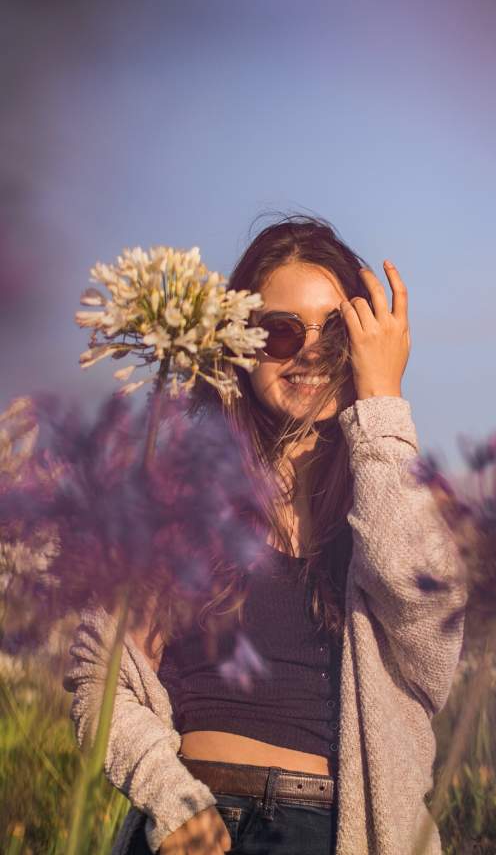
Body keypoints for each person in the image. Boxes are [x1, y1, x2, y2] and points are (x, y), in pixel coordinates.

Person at [63, 216, 466, 855]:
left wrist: (384, 401)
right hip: (192, 823)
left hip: (333, 832)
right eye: (279, 331)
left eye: (336, 332)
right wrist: (173, 806)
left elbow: (429, 637)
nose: (308, 352)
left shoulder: (392, 492)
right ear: (238, 346)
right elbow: (98, 681)